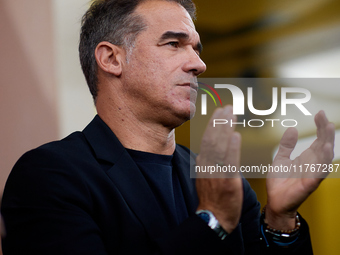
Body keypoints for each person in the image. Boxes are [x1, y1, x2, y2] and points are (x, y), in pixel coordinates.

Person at [1, 0, 335, 254]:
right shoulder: (50, 176)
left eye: (196, 48)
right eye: (174, 44)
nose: (199, 64)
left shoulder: (225, 181)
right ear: (111, 59)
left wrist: (279, 221)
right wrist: (212, 222)